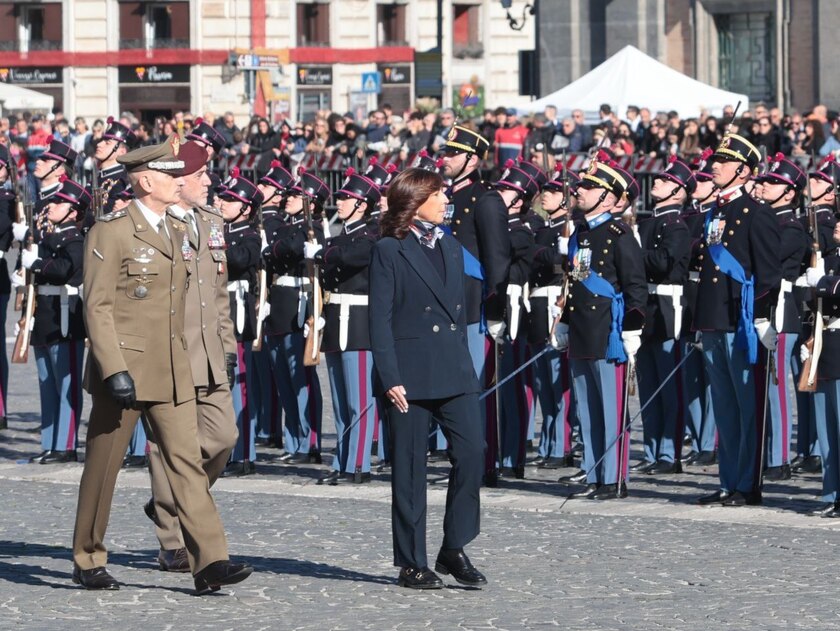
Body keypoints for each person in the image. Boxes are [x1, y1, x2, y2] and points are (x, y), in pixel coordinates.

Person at [72, 135, 252, 593]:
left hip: (173, 367)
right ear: (146, 180)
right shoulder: (110, 231)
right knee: (103, 466)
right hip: (126, 371)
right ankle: (88, 556)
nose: (180, 182)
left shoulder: (180, 229)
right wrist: (112, 369)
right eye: (171, 175)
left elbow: (192, 303)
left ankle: (210, 560)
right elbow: (97, 306)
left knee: (187, 462)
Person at [369, 167, 486, 590]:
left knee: (473, 453)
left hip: (453, 370)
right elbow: (379, 320)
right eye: (439, 194)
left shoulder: (451, 246)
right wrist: (390, 376)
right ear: (416, 201)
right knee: (410, 468)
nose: (446, 200)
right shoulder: (388, 249)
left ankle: (453, 546)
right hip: (408, 374)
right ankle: (412, 561)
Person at [145, 142, 239, 572]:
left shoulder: (212, 221)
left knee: (223, 439)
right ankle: (172, 538)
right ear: (178, 181)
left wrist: (229, 348)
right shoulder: (156, 225)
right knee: (170, 448)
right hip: (171, 355)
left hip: (210, 354)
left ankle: (168, 500)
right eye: (201, 176)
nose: (208, 182)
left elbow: (218, 297)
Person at [694, 132, 781, 506]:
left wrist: (762, 319)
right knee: (725, 407)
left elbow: (767, 273)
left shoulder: (757, 213)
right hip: (714, 318)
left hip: (743, 323)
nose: (714, 166)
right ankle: (729, 480)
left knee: (748, 408)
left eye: (723, 162)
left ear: (743, 171)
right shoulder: (714, 211)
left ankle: (748, 484)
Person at [554, 157, 647, 500]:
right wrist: (564, 321)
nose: (579, 190)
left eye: (589, 187)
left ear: (609, 199)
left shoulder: (620, 235)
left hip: (608, 331)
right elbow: (575, 283)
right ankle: (594, 472)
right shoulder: (581, 232)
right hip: (581, 329)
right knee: (588, 410)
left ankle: (613, 478)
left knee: (611, 409)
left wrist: (633, 329)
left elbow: (637, 287)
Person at [440, 125, 510, 486]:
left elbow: (498, 259)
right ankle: (461, 459)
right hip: (448, 307)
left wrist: (496, 310)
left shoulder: (486, 199)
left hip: (475, 308)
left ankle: (484, 462)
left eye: (453, 153)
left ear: (472, 158)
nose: (445, 158)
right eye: (445, 152)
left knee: (477, 390)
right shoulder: (444, 198)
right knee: (453, 388)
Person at [307, 169, 380, 485]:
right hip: (337, 321)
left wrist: (323, 252)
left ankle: (359, 463)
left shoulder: (372, 233)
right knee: (339, 401)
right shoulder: (343, 234)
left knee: (359, 400)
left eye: (347, 198)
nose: (341, 202)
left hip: (360, 324)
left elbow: (353, 256)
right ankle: (343, 460)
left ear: (362, 205)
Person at [262, 169, 328, 464]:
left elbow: (284, 250)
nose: (288, 198)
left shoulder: (314, 230)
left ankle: (310, 442)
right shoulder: (289, 227)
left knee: (301, 378)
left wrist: (282, 249)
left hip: (299, 308)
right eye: (287, 194)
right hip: (279, 307)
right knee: (283, 380)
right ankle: (293, 440)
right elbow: (276, 251)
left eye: (295, 195)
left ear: (311, 204)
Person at [632, 158, 693, 475]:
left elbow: (665, 262)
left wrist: (632, 256)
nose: (656, 182)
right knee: (648, 384)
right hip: (647, 309)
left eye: (665, 180)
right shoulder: (647, 223)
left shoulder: (676, 226)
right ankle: (652, 450)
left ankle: (670, 454)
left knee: (669, 387)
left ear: (679, 191)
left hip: (668, 309)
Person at [21, 177, 89, 463]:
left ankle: (67, 444)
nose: (52, 206)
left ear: (73, 212)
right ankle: (50, 443)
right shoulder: (49, 238)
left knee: (66, 385)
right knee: (46, 384)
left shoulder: (74, 239)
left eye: (60, 203)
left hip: (65, 316)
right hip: (45, 315)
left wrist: (36, 263)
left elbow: (66, 270)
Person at [528, 165, 580, 470]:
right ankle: (549, 443)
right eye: (545, 191)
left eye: (552, 192)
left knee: (557, 377)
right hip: (538, 301)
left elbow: (565, 265)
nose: (544, 196)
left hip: (555, 302)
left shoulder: (572, 227)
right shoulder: (544, 227)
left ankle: (561, 446)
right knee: (542, 381)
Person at [219, 171, 264, 477]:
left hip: (238, 314)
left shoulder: (249, 235)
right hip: (218, 314)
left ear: (246, 208)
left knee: (240, 389)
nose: (222, 203)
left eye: (230, 200)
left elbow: (236, 259)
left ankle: (244, 453)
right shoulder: (220, 230)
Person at [681, 149, 718, 466]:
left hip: (708, 293)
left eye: (704, 180)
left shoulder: (717, 215)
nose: (698, 184)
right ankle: (697, 438)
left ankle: (711, 440)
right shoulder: (687, 216)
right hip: (688, 297)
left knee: (713, 378)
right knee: (692, 379)